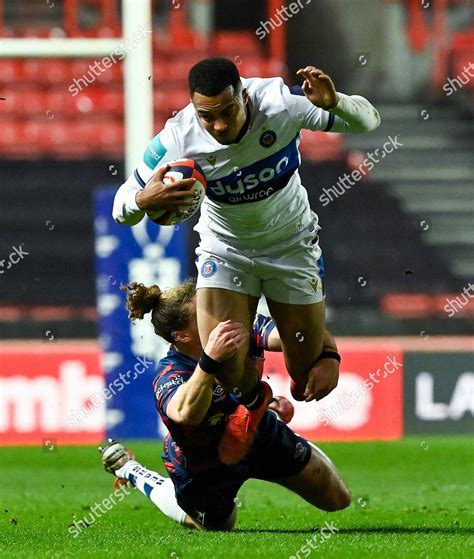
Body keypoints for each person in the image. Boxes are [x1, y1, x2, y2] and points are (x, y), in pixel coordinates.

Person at [112, 57, 380, 463]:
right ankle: (259, 405)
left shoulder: (281, 104)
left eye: (226, 112)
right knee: (225, 364)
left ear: (243, 94)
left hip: (292, 246)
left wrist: (335, 102)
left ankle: (320, 351)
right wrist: (141, 199)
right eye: (207, 116)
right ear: (192, 107)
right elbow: (121, 207)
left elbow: (368, 122)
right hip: (226, 251)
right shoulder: (177, 138)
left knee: (308, 379)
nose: (218, 126)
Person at [99, 279, 350, 531]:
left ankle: (268, 416)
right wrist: (209, 361)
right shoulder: (170, 373)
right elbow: (185, 413)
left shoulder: (238, 326)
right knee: (218, 527)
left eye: (212, 308)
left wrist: (328, 355)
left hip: (259, 435)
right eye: (204, 314)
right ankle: (133, 472)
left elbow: (300, 334)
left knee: (338, 500)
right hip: (204, 468)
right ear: (182, 335)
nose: (216, 316)